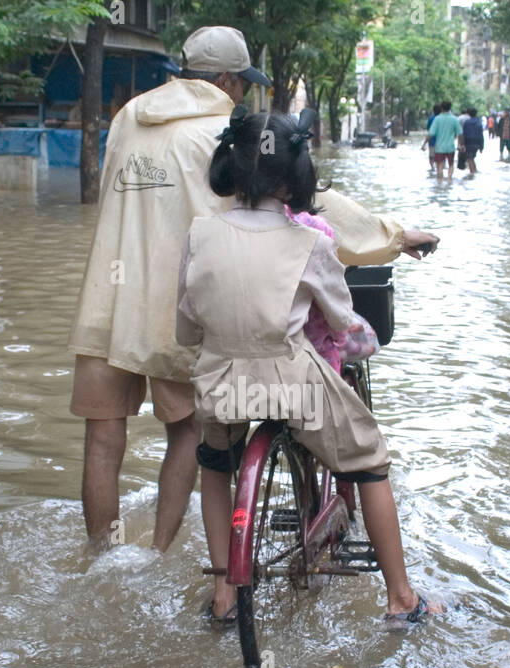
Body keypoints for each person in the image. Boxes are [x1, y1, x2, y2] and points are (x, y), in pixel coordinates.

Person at [68, 25, 440, 553]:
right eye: (240, 83)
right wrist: (396, 237)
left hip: (107, 301)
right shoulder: (230, 130)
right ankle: (156, 554)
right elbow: (311, 205)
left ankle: (101, 560)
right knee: (188, 435)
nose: (241, 92)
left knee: (103, 437)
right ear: (225, 79)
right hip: (180, 301)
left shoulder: (129, 116)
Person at [176, 109, 444, 625]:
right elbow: (341, 319)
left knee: (214, 463)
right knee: (370, 457)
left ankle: (224, 598)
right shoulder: (311, 241)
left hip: (219, 384)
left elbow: (186, 328)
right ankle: (402, 600)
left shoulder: (200, 233)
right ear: (293, 176)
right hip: (292, 386)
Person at [428, 100, 462, 181]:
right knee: (450, 164)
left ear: (441, 108)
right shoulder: (454, 119)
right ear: (450, 108)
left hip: (439, 147)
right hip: (450, 147)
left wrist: (425, 143)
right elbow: (460, 133)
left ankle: (439, 182)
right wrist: (461, 145)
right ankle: (449, 180)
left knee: (439, 165)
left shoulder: (437, 119)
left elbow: (431, 133)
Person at [460, 107, 484, 178]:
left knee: (470, 159)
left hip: (469, 143)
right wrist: (481, 146)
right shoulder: (479, 122)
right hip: (477, 143)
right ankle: (474, 171)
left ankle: (472, 174)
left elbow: (463, 134)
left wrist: (462, 144)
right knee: (472, 158)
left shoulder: (467, 122)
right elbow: (481, 134)